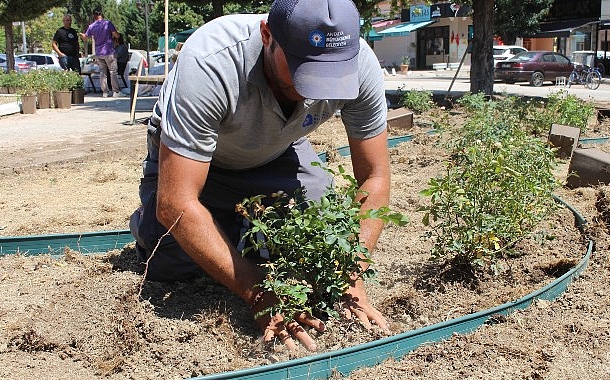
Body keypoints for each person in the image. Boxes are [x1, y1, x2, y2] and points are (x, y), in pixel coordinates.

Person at [129, 0, 390, 351]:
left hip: (277, 151)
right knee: (174, 260)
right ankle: (151, 223)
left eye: (329, 75)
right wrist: (256, 291)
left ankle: (230, 226)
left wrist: (350, 274)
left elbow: (374, 176)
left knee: (317, 245)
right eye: (303, 71)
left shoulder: (360, 65)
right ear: (267, 35)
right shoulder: (212, 61)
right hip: (198, 160)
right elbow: (177, 202)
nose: (315, 89)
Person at [80, 10, 122, 98]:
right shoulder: (107, 23)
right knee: (113, 71)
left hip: (99, 52)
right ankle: (116, 91)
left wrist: (82, 35)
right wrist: (116, 34)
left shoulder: (91, 26)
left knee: (102, 72)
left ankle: (105, 92)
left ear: (94, 16)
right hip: (109, 51)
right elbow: (117, 35)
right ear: (101, 15)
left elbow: (85, 38)